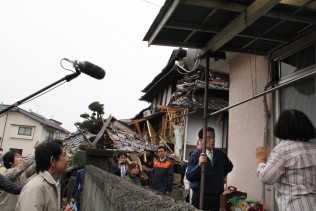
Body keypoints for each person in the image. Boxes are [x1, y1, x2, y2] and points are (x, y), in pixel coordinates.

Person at [256, 109, 316, 211]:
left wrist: (260, 160)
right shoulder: (314, 148)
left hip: (294, 205)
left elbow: (266, 177)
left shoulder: (283, 150)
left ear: (281, 128)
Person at [16, 140, 73, 211]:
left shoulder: (53, 184)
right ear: (53, 161)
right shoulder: (35, 188)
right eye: (64, 155)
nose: (68, 159)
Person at [187, 127, 233, 210]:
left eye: (213, 137)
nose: (212, 140)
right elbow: (189, 176)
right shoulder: (195, 155)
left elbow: (229, 167)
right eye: (208, 138)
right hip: (200, 196)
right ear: (201, 140)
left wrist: (219, 176)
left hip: (215, 196)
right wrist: (199, 164)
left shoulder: (220, 154)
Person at [0, 144, 37, 211]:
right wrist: (35, 152)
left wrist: (43, 153)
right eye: (17, 157)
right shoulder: (7, 173)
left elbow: (35, 167)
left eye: (21, 156)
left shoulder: (23, 173)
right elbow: (22, 166)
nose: (21, 159)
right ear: (10, 162)